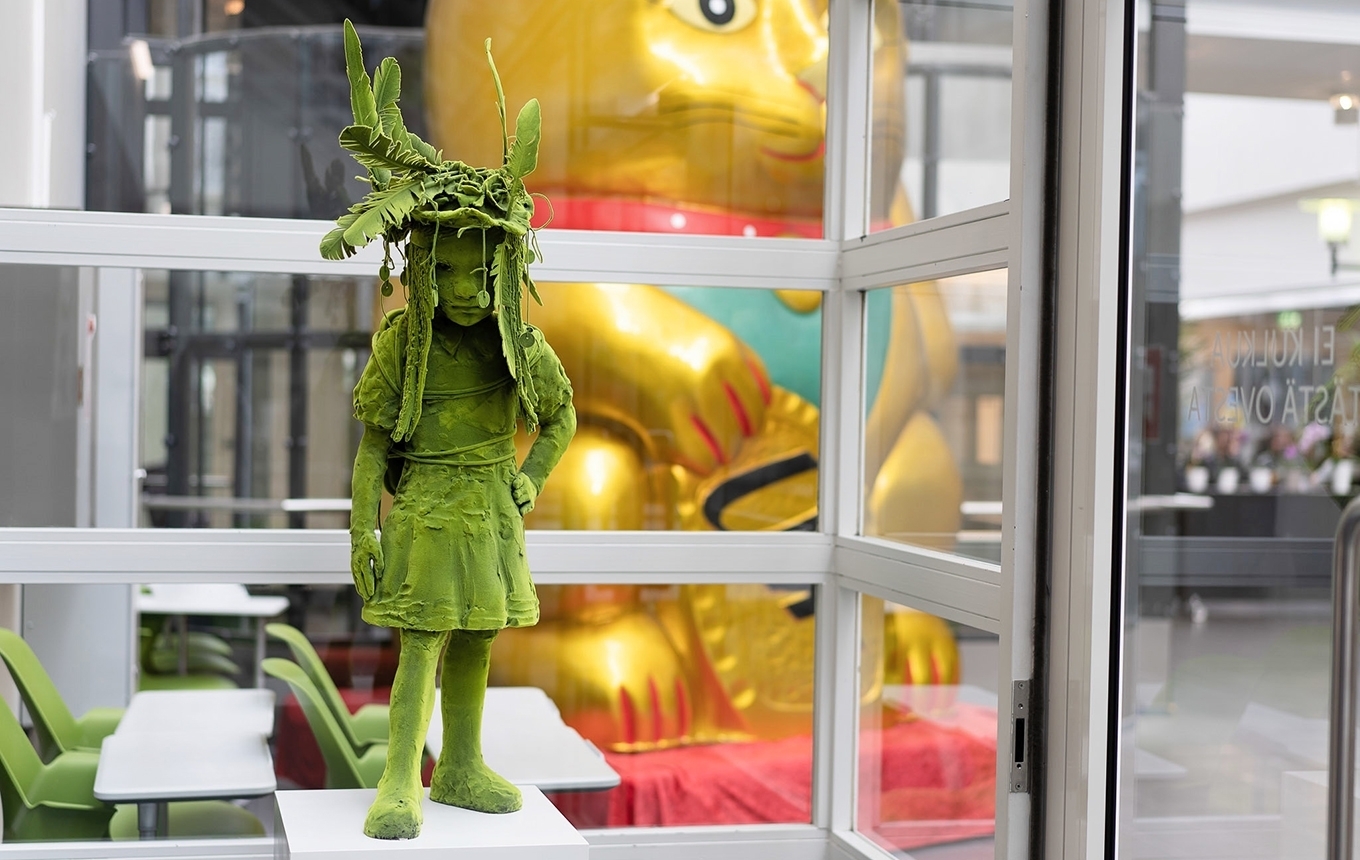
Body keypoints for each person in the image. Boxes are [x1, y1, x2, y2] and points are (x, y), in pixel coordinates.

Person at [325, 22, 575, 839]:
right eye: (451, 273)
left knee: (477, 639)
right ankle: (400, 777)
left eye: (480, 274)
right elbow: (373, 446)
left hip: (491, 510)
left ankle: (461, 765)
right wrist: (361, 530)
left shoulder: (519, 343)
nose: (467, 291)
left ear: (505, 267)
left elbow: (562, 415)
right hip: (428, 510)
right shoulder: (404, 343)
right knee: (422, 645)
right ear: (423, 267)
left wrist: (530, 477)